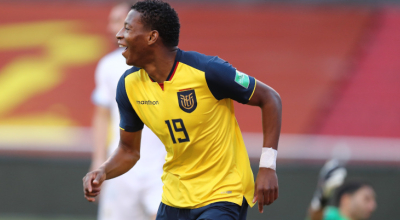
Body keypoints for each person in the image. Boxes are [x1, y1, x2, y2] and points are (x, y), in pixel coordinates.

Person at [83, 0, 282, 219]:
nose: (120, 35)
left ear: (152, 37)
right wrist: (102, 171)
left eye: (128, 28)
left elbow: (270, 98)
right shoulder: (128, 86)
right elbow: (129, 151)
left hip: (223, 193)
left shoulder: (207, 70)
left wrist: (267, 166)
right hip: (174, 198)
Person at [90, 2, 165, 220]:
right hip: (121, 164)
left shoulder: (166, 64)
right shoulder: (108, 66)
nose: (110, 29)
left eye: (117, 21)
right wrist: (98, 161)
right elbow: (102, 115)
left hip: (162, 166)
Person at [307, 160, 377, 220]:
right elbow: (316, 217)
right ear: (346, 199)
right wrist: (323, 196)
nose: (372, 206)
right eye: (366, 199)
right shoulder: (331, 215)